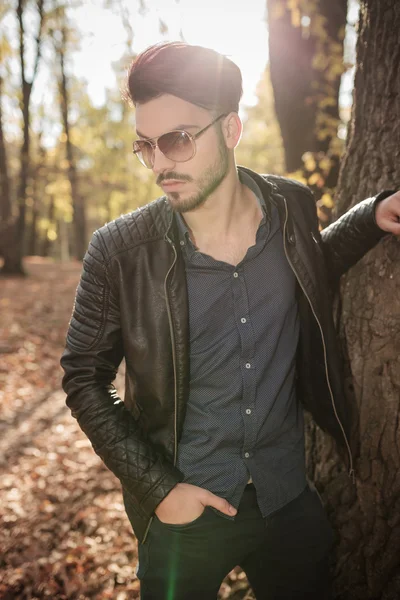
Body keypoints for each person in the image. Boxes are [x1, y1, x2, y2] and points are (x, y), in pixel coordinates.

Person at [60, 42, 400, 600]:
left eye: (178, 140)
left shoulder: (292, 205)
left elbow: (311, 264)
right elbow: (82, 377)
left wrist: (369, 216)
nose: (162, 163)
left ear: (232, 130)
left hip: (288, 499)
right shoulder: (119, 251)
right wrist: (160, 490)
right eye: (147, 146)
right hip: (181, 519)